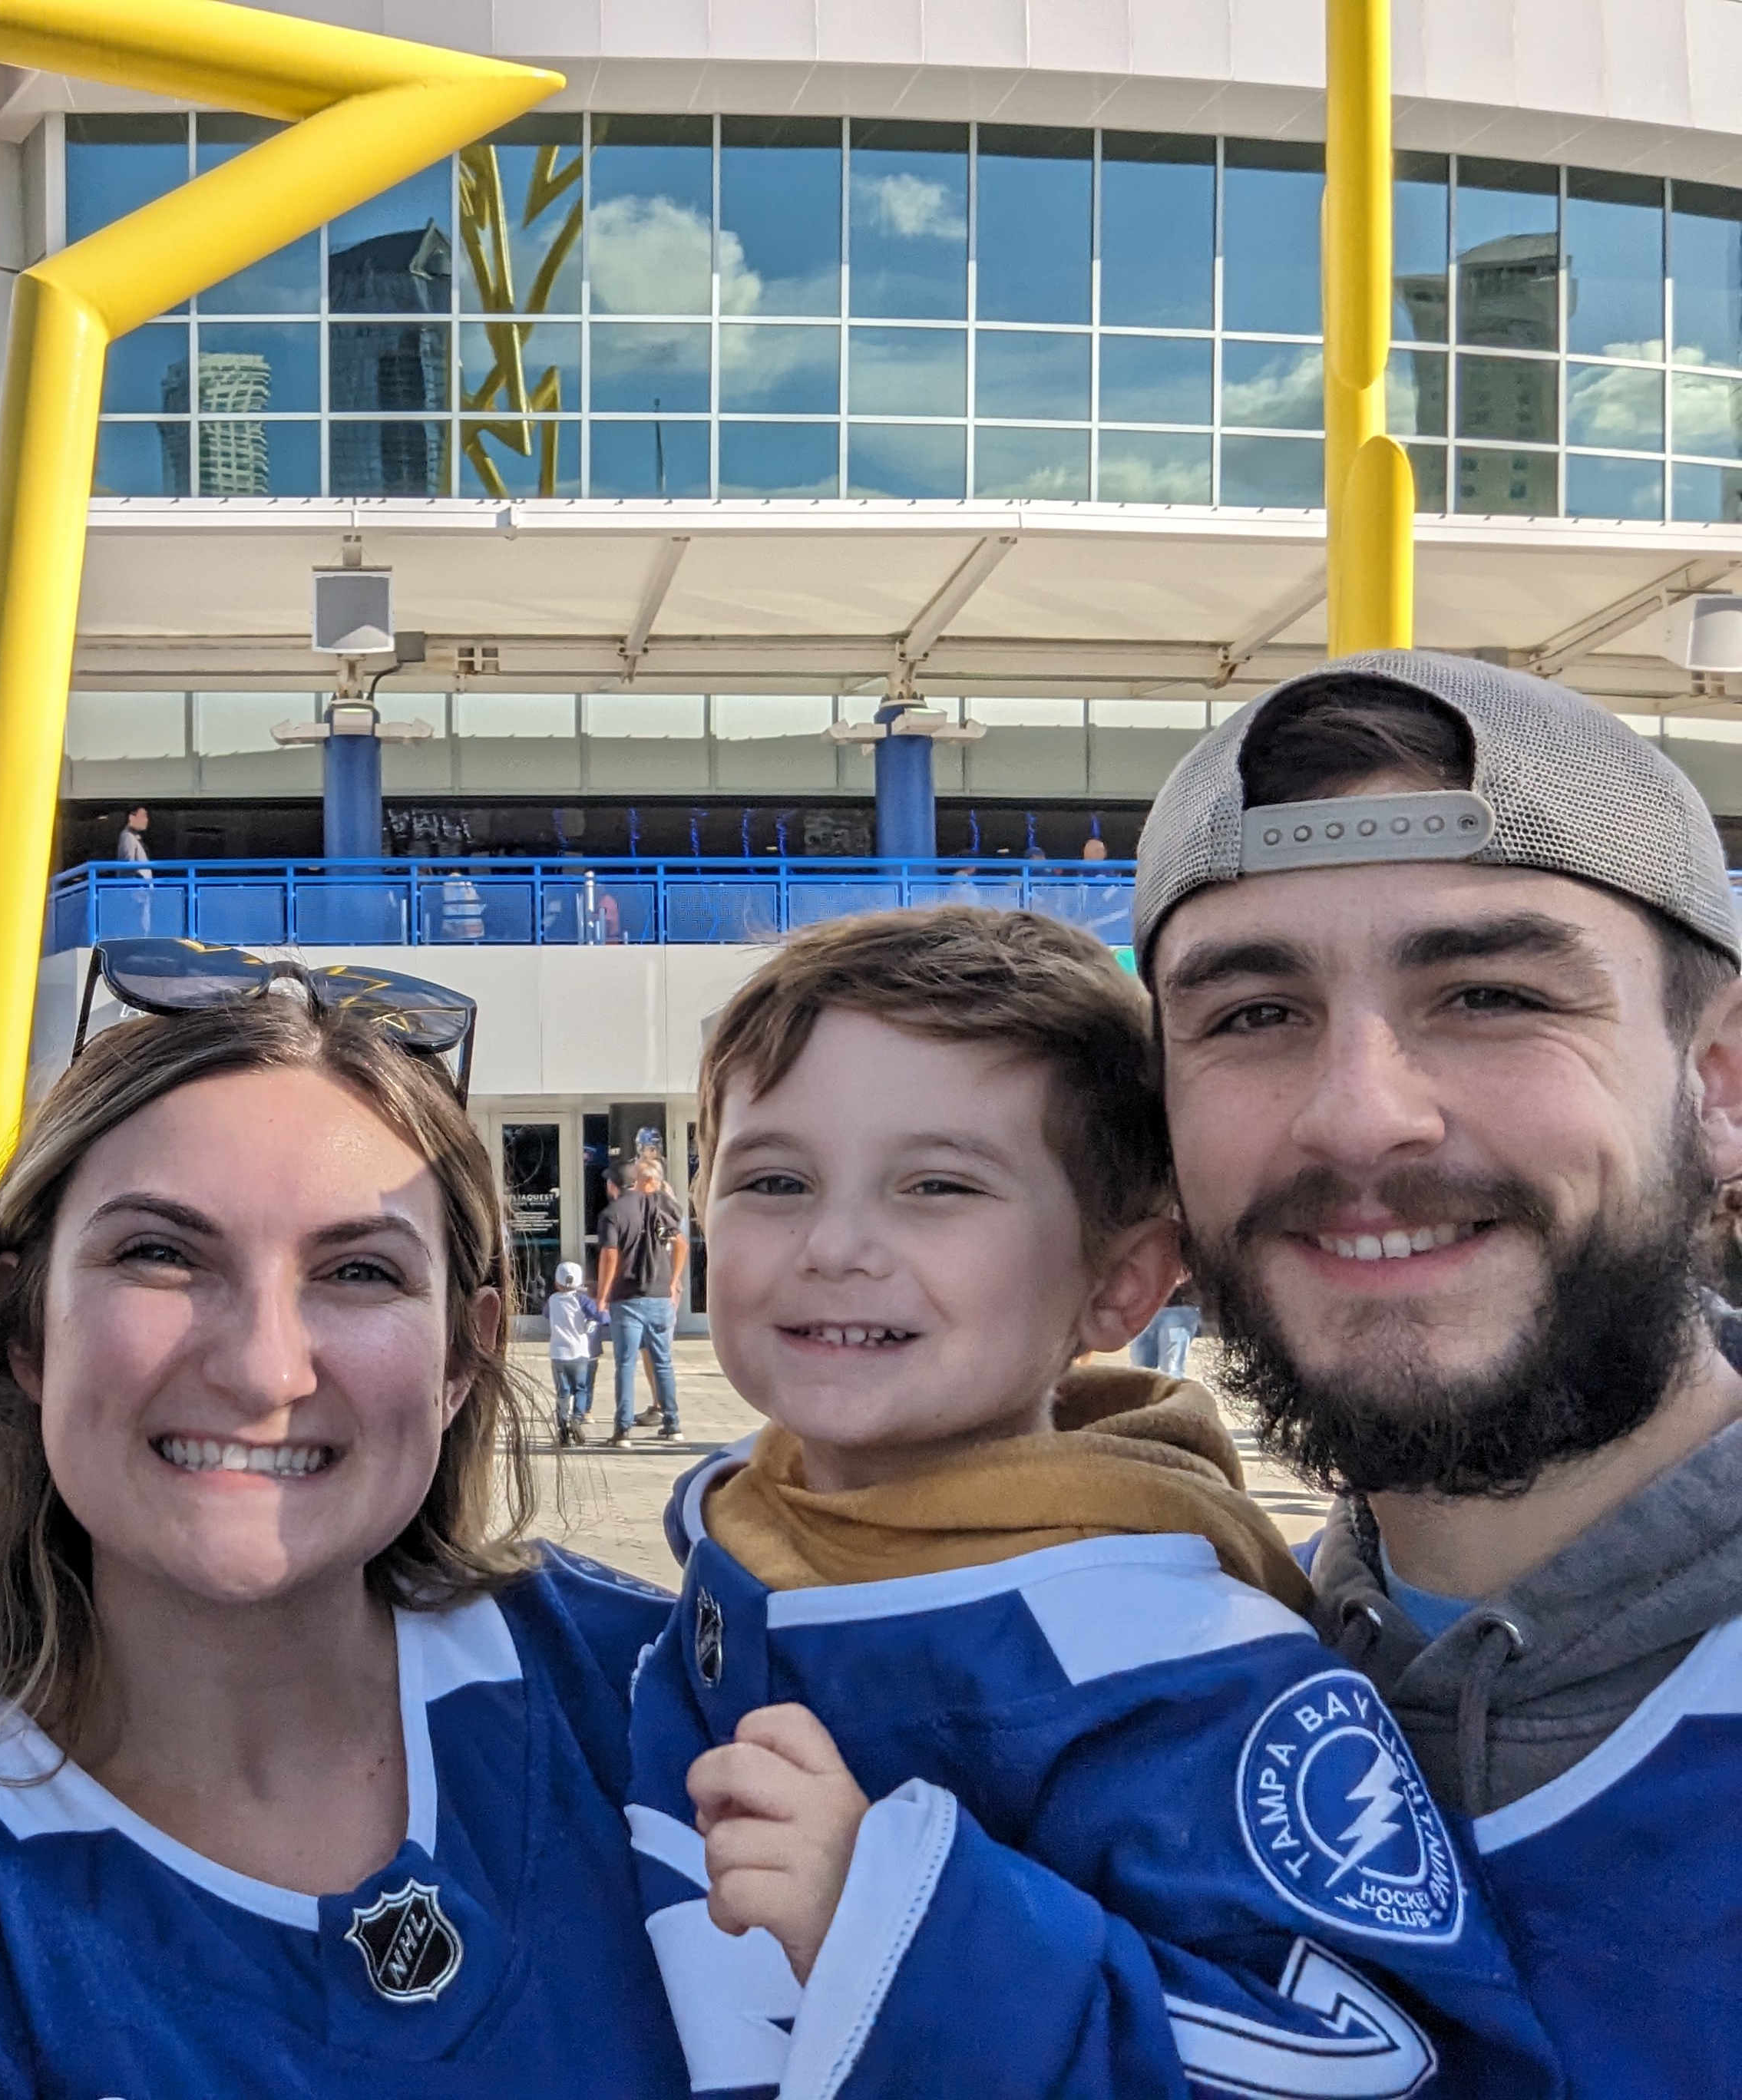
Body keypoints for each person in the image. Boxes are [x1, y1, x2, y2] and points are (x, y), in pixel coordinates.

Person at [627, 908, 1559, 2098]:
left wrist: (899, 1924)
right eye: (774, 1179)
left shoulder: (1183, 1664)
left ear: (1121, 1282)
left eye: (936, 1186)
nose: (836, 1242)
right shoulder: (728, 1556)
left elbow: (1396, 2062)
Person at [0, 990, 693, 2098]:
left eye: (360, 1271)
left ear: (464, 1357)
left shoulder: (655, 1701)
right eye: (163, 1254)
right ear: (25, 1324)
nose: (264, 1370)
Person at [1137, 649, 1742, 2092]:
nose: (1359, 1117)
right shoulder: (1161, 1707)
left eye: (1485, 993)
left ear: (1718, 1081)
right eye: (1251, 1015)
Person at [597, 1151, 686, 1443]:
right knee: (663, 1362)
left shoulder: (613, 1214)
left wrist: (603, 1294)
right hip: (660, 1296)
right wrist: (673, 1281)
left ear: (613, 1186)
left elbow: (610, 1255)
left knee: (625, 1364)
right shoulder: (657, 1206)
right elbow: (681, 1244)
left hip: (628, 1297)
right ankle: (673, 1424)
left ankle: (623, 1429)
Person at [546, 1256, 604, 1445]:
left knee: (563, 1392)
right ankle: (577, 1418)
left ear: (556, 1282)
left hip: (558, 1354)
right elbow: (603, 1317)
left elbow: (545, 1313)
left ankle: (562, 1425)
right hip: (579, 1353)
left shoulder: (553, 1300)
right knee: (581, 1388)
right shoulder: (582, 1301)